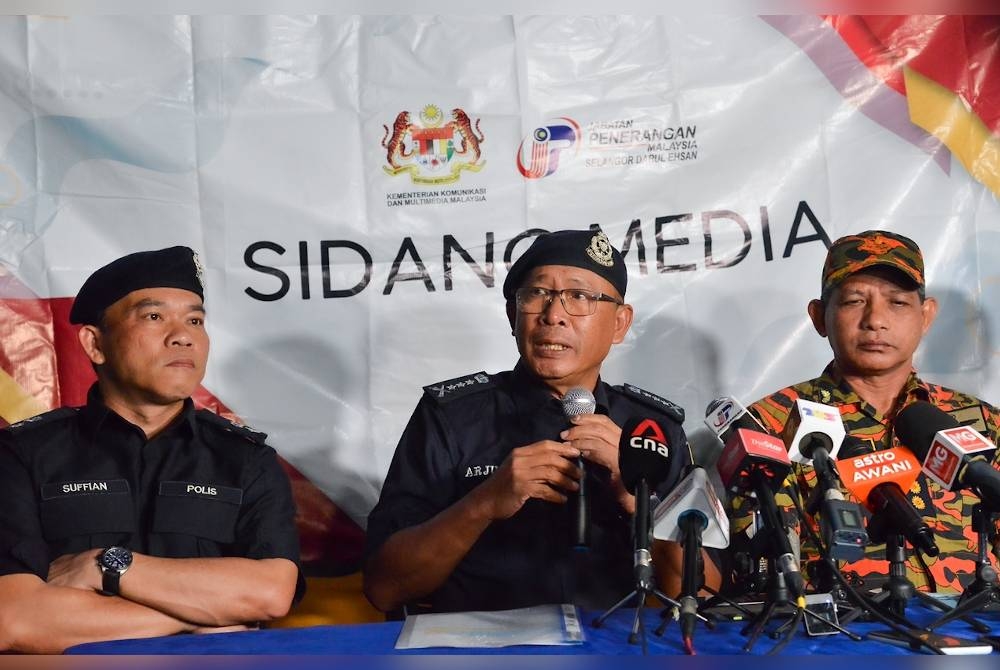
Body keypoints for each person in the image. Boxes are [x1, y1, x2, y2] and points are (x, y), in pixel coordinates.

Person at [364, 229, 717, 614]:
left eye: (579, 297)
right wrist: (483, 503)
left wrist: (640, 500)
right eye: (537, 295)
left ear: (619, 323)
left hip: (615, 651)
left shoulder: (652, 429)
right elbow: (384, 588)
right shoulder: (451, 417)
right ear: (512, 315)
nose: (553, 316)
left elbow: (702, 593)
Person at [0, 246, 304, 654]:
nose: (183, 335)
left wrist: (105, 565)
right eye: (154, 316)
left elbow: (270, 593)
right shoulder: (21, 456)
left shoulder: (246, 460)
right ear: (94, 344)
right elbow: (15, 620)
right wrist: (202, 613)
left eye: (195, 319)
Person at [728, 230, 1000, 596]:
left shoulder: (979, 421)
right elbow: (764, 572)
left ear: (927, 315)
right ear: (819, 317)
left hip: (976, 632)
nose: (876, 320)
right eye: (855, 301)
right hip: (843, 640)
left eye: (898, 303)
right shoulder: (773, 424)